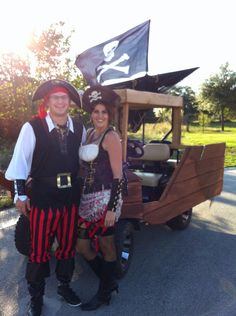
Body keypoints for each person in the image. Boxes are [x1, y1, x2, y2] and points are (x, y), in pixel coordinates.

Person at [5, 79, 86, 316]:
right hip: (42, 198)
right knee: (39, 250)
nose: (60, 101)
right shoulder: (33, 127)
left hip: (70, 198)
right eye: (55, 97)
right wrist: (20, 194)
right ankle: (36, 297)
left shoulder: (79, 128)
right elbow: (20, 161)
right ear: (48, 102)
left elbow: (82, 158)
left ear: (70, 102)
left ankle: (64, 286)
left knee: (67, 247)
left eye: (64, 97)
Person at [76, 85, 124, 311]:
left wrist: (113, 208)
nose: (99, 115)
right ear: (91, 113)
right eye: (96, 111)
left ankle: (104, 292)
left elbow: (118, 176)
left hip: (106, 199)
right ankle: (109, 281)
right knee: (82, 246)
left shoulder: (111, 136)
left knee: (106, 245)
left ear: (109, 114)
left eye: (104, 112)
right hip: (87, 198)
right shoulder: (90, 133)